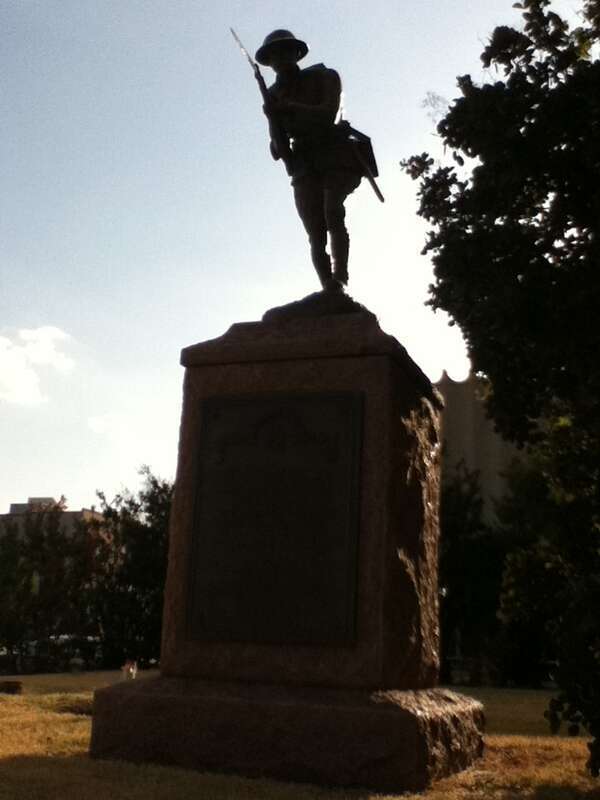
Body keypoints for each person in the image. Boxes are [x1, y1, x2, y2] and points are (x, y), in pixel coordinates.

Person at [256, 30, 364, 291]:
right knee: (315, 234)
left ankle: (340, 278)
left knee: (333, 212)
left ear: (296, 53)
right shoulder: (273, 95)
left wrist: (289, 108)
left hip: (333, 152)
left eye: (284, 51)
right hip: (303, 162)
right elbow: (278, 146)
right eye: (273, 55)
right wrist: (273, 119)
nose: (279, 59)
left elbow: (327, 113)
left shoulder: (323, 76)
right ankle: (327, 286)